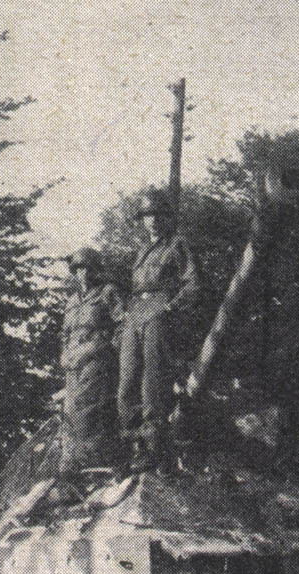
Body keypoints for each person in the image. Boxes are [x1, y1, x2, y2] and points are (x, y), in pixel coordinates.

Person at [118, 188, 199, 472]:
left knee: (152, 380)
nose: (151, 221)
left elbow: (193, 284)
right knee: (127, 381)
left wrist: (170, 309)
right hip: (136, 313)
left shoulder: (177, 245)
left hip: (159, 309)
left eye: (157, 215)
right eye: (146, 216)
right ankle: (133, 445)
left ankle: (154, 447)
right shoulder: (141, 252)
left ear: (166, 218)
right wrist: (129, 314)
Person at [59, 247, 123, 476]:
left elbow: (122, 325)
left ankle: (99, 465)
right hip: (74, 363)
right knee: (70, 415)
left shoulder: (107, 293)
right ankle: (75, 468)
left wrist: (106, 350)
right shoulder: (72, 301)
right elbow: (65, 334)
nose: (82, 273)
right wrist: (64, 353)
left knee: (91, 413)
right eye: (78, 268)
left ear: (96, 270)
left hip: (97, 361)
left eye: (87, 268)